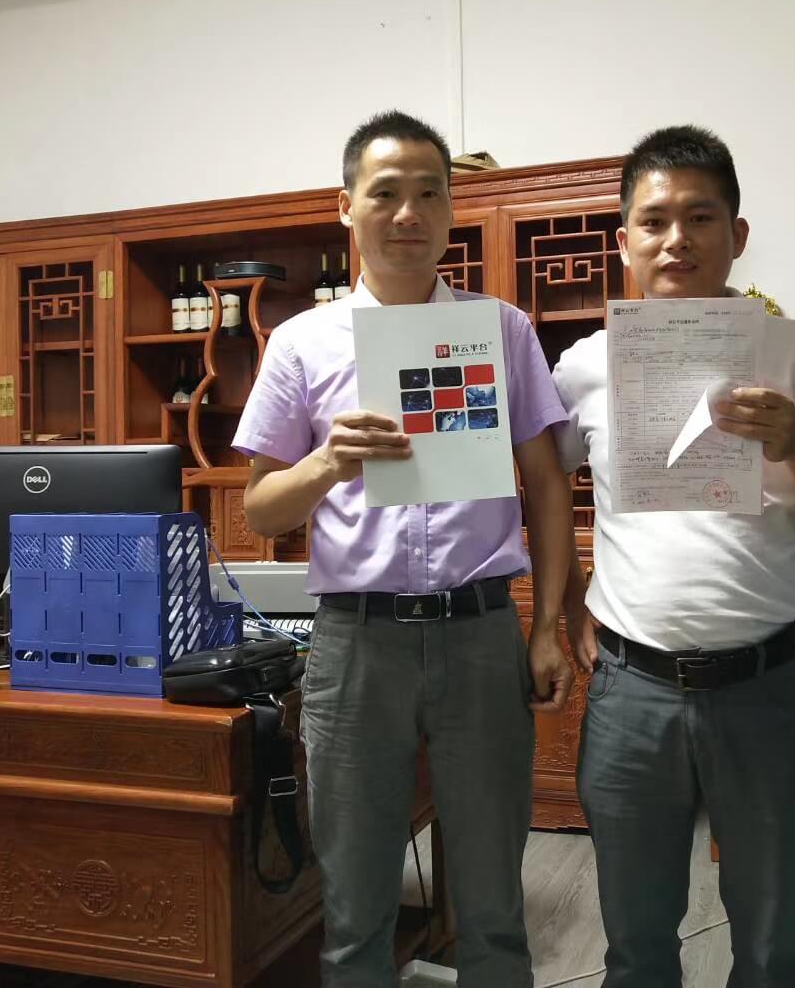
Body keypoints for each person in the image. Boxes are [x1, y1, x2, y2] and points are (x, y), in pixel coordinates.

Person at [233, 110, 576, 988]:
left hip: (480, 632)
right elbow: (263, 509)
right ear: (345, 205)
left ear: (452, 208)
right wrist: (327, 461)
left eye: (430, 193)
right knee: (354, 915)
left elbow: (546, 484)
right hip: (355, 644)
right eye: (385, 193)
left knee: (494, 908)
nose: (408, 214)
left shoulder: (500, 330)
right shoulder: (301, 344)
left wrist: (546, 627)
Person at [551, 125, 795, 988]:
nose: (677, 240)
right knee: (634, 946)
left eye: (700, 218)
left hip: (765, 688)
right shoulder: (585, 366)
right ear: (623, 241)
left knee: (772, 947)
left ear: (736, 234)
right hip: (630, 690)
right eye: (654, 220)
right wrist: (567, 596)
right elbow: (543, 485)